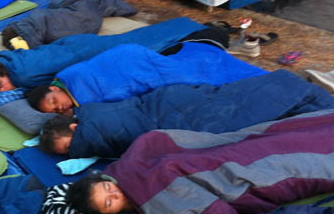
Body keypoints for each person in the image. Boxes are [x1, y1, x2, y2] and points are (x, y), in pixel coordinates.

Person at [61, 108, 334, 214]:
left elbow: (155, 142)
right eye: (109, 203)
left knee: (279, 142)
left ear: (107, 178)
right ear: (111, 213)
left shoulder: (130, 168)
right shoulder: (148, 213)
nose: (117, 195)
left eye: (109, 188)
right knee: (296, 160)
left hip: (222, 157)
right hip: (236, 178)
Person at [38, 70, 334, 157]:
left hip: (176, 117)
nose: (73, 152)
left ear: (74, 129)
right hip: (170, 102)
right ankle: (300, 91)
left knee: (244, 113)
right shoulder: (89, 111)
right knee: (242, 99)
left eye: (69, 147)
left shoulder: (94, 129)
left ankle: (308, 96)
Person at [0, 20, 225, 92]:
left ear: (0, 75)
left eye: (0, 86)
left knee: (148, 45)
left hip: (86, 52)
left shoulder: (21, 74)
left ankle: (195, 29)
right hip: (76, 44)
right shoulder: (9, 58)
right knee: (142, 38)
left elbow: (50, 77)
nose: (4, 91)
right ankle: (186, 26)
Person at [25, 41, 265, 115]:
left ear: (53, 89)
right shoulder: (75, 98)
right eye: (55, 111)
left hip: (132, 60)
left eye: (54, 101)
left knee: (197, 80)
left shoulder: (69, 78)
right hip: (131, 60)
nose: (60, 107)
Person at [0, 0, 137, 50]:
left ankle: (20, 40)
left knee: (39, 22)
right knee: (40, 19)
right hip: (79, 23)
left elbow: (54, 6)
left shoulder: (84, 2)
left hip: (54, 24)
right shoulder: (88, 4)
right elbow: (54, 6)